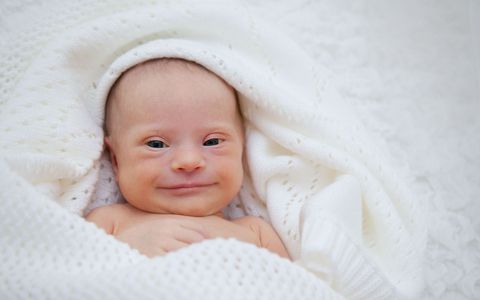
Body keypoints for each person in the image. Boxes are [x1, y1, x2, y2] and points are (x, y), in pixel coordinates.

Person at [86, 58, 290, 259]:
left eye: (213, 142)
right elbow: (72, 274)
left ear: (242, 150)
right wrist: (125, 247)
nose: (188, 161)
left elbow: (295, 287)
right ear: (115, 159)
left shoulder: (257, 233)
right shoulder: (110, 223)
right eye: (156, 144)